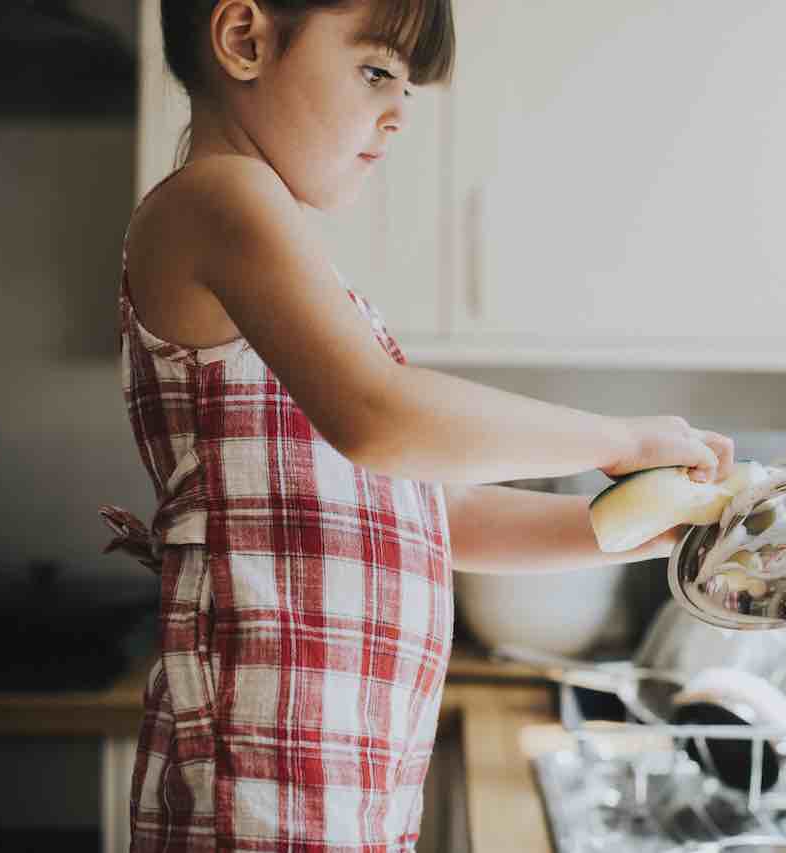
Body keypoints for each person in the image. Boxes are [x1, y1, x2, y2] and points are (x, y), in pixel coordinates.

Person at [98, 1, 736, 849]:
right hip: (254, 784)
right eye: (375, 73)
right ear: (244, 39)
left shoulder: (296, 277)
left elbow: (432, 511)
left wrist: (655, 527)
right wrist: (621, 440)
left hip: (339, 789)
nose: (400, 113)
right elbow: (382, 419)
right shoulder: (219, 198)